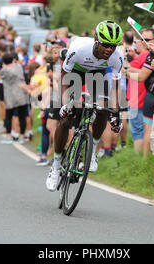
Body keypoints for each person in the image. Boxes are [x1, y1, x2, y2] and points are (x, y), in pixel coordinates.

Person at [45, 20, 124, 192]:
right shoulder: (79, 49)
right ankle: (56, 165)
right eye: (106, 45)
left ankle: (93, 149)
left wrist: (116, 114)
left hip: (97, 75)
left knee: (103, 109)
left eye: (113, 46)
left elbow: (116, 89)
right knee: (65, 119)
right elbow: (64, 75)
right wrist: (66, 104)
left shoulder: (117, 57)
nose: (110, 49)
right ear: (96, 40)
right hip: (74, 74)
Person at [125, 28, 154, 156]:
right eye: (142, 39)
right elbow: (142, 72)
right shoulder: (152, 53)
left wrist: (128, 74)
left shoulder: (152, 54)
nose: (144, 42)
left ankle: (144, 160)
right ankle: (146, 162)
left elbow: (141, 77)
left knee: (147, 131)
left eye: (147, 40)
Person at [0, 52, 29, 145]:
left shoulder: (5, 70)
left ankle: (9, 136)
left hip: (11, 96)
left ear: (3, 62)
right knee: (22, 117)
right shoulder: (19, 67)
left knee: (9, 116)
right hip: (22, 94)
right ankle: (21, 136)